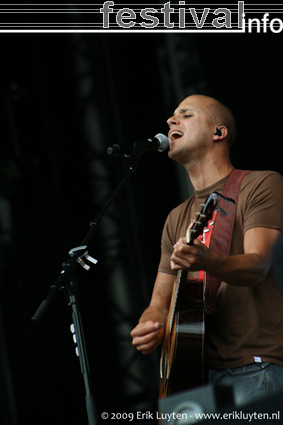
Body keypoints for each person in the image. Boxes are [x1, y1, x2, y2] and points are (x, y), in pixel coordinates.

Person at [130, 94, 283, 407]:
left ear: (219, 133)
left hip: (256, 366)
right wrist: (150, 324)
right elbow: (159, 302)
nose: (171, 121)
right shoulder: (176, 218)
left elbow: (258, 266)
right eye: (172, 116)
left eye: (185, 115)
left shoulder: (260, 185)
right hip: (197, 380)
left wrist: (207, 260)